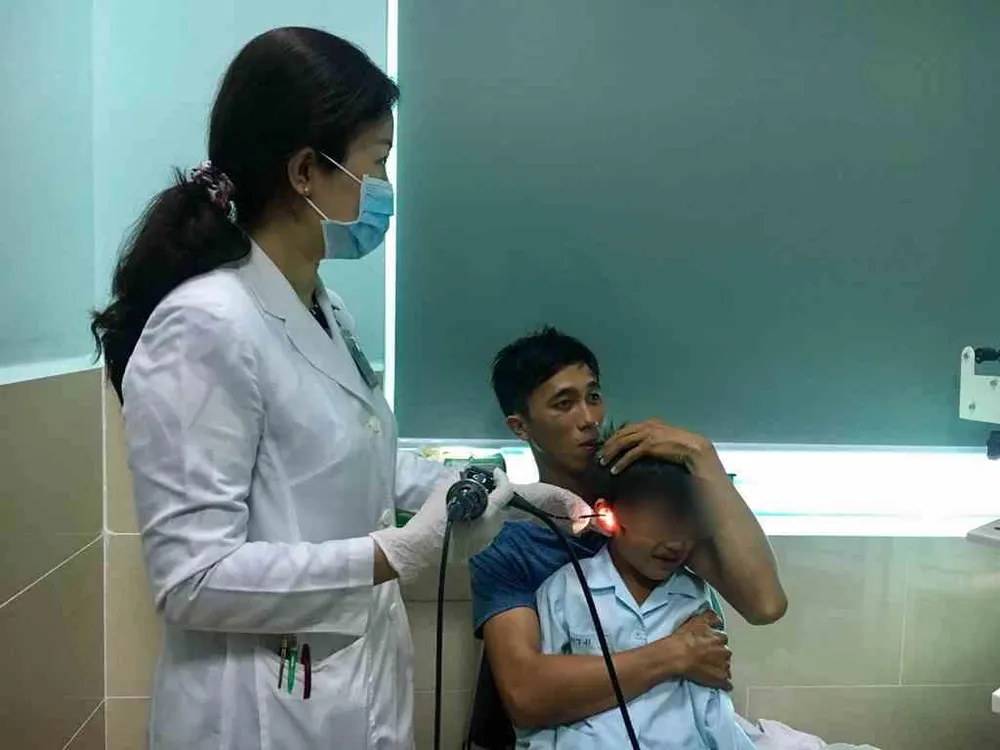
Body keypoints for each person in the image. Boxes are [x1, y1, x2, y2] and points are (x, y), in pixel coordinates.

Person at [90, 29, 580, 750]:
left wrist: (507, 496)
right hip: (256, 713)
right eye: (376, 162)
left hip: (352, 684)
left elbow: (354, 457)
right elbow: (192, 577)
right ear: (304, 172)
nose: (385, 188)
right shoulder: (205, 323)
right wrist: (394, 554)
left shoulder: (323, 307)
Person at [470, 328, 878, 750]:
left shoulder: (655, 508)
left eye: (593, 396)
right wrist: (676, 654)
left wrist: (702, 455)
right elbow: (527, 697)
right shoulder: (508, 545)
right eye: (563, 403)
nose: (589, 418)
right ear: (520, 427)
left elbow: (766, 604)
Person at [524, 455, 755, 749]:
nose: (676, 543)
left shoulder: (694, 594)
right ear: (607, 515)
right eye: (659, 522)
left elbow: (711, 700)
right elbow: (544, 704)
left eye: (688, 524)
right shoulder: (566, 589)